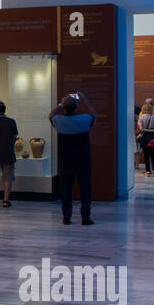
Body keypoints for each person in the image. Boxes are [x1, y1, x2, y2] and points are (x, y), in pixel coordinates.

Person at [49, 90, 96, 225]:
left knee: (66, 189)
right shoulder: (84, 119)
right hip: (83, 159)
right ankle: (85, 217)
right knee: (85, 188)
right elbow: (94, 115)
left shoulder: (59, 120)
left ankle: (66, 216)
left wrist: (61, 103)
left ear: (64, 108)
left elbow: (51, 115)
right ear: (77, 106)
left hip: (65, 160)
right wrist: (85, 100)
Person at [136, 99, 154, 177]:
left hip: (145, 137)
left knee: (146, 154)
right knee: (153, 154)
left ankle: (148, 171)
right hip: (153, 136)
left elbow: (141, 129)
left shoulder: (141, 118)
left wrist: (147, 130)